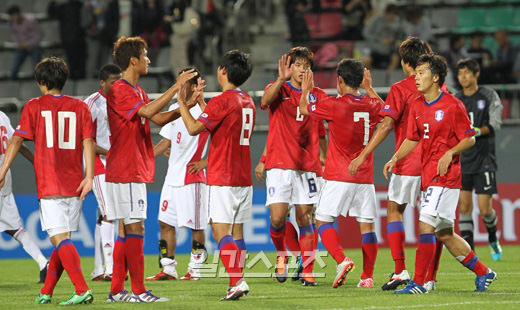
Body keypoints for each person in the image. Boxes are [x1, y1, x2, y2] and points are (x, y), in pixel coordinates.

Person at [383, 53, 497, 294]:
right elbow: (412, 138)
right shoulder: (416, 104)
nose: (416, 77)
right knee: (445, 233)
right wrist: (395, 157)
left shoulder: (452, 105)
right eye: (416, 72)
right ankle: (484, 273)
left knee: (425, 226)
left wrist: (450, 152)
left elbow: (470, 138)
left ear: (435, 77)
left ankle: (420, 283)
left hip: (446, 177)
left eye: (422, 72)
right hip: (429, 177)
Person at [105, 36, 197, 303]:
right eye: (145, 55)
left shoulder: (137, 91)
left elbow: (158, 117)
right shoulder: (120, 89)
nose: (148, 60)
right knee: (136, 230)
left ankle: (116, 291)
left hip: (130, 168)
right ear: (133, 60)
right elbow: (146, 113)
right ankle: (138, 290)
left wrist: (186, 104)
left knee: (127, 229)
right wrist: (176, 87)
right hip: (126, 168)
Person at [0, 56, 95, 304]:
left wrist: (2, 170)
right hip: (75, 183)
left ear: (41, 82)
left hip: (50, 184)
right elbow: (88, 143)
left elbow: (17, 140)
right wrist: (89, 176)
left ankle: (82, 289)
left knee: (60, 240)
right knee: (62, 242)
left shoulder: (34, 106)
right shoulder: (81, 107)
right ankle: (46, 291)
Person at [349, 37, 434, 291]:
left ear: (406, 62)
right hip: (433, 162)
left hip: (408, 162)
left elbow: (387, 122)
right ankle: (430, 276)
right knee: (433, 221)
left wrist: (364, 154)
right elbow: (391, 110)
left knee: (395, 210)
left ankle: (400, 270)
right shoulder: (437, 87)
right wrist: (370, 91)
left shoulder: (401, 87)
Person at [177, 49, 254, 301]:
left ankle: (237, 281)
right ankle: (237, 279)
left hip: (224, 176)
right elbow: (224, 124)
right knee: (237, 232)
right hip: (243, 177)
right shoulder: (247, 101)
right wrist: (202, 105)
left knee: (220, 232)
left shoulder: (223, 101)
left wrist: (182, 104)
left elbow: (192, 128)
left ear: (223, 71)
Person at [300, 59, 383, 289]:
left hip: (339, 174)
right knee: (367, 226)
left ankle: (341, 259)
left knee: (322, 221)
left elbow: (305, 108)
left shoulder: (335, 105)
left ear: (340, 80)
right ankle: (367, 277)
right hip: (365, 176)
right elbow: (389, 115)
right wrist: (369, 89)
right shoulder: (371, 104)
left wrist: (306, 91)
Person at [258, 47, 327, 286]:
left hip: (307, 166)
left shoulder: (318, 95)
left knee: (305, 217)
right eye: (297, 65)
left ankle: (307, 271)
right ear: (290, 67)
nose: (301, 70)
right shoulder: (279, 89)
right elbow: (264, 102)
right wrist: (280, 79)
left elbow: (323, 130)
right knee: (277, 219)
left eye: (305, 66)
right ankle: (282, 254)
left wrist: (325, 159)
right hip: (279, 164)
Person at [146, 67, 209, 281]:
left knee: (196, 226)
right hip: (172, 179)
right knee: (165, 223)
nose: (178, 88)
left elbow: (222, 142)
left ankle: (196, 269)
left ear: (192, 87)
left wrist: (206, 161)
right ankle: (168, 268)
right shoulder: (175, 109)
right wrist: (143, 159)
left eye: (182, 84)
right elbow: (165, 143)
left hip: (192, 179)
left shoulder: (204, 111)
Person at [455, 58, 504, 261]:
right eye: (460, 73)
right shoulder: (456, 100)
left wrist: (473, 131)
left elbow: (496, 124)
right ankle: (471, 254)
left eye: (467, 72)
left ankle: (493, 238)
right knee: (465, 207)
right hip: (463, 160)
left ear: (476, 75)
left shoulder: (489, 95)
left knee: (485, 209)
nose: (463, 77)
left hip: (484, 159)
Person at [83, 64, 122, 281]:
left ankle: (99, 269)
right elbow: (86, 139)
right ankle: (110, 268)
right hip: (99, 165)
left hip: (117, 165)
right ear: (103, 82)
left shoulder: (120, 101)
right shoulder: (92, 104)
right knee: (110, 214)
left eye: (119, 80)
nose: (117, 85)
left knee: (103, 215)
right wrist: (110, 152)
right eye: (113, 81)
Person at [0, 112, 48, 284]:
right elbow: (17, 142)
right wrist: (36, 161)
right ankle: (43, 262)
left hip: (1, 176)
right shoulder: (2, 116)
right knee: (14, 227)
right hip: (5, 179)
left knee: (13, 227)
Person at [7, 5, 43, 80]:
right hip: (22, 47)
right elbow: (14, 35)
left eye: (14, 16)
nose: (14, 18)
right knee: (14, 67)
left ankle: (39, 80)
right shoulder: (12, 23)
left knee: (37, 66)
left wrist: (28, 44)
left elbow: (38, 35)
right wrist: (19, 43)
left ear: (19, 14)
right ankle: (13, 80)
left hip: (33, 46)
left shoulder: (31, 20)